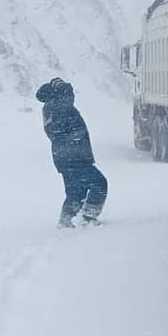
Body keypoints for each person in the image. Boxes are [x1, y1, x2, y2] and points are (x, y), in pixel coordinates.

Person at [35, 78, 107, 228]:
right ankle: (87, 217)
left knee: (76, 192)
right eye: (66, 92)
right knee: (99, 183)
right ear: (57, 94)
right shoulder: (55, 109)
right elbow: (55, 132)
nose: (71, 96)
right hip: (73, 158)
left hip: (71, 158)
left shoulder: (58, 108)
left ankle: (67, 220)